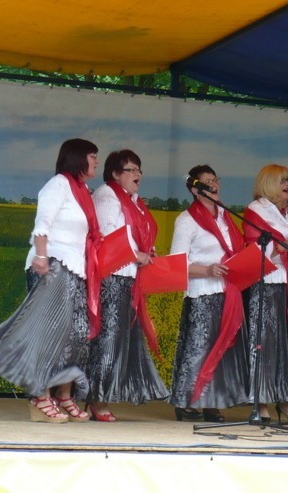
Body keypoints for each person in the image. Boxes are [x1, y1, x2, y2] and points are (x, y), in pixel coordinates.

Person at [0, 138, 100, 423]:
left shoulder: (82, 192)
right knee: (48, 334)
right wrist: (41, 257)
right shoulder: (58, 185)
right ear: (78, 157)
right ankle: (39, 395)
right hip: (53, 263)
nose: (96, 161)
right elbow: (42, 223)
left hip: (76, 269)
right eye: (93, 156)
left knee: (76, 336)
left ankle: (63, 393)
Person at [86, 150, 169, 422]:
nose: (138, 175)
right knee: (108, 340)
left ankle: (102, 396)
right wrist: (138, 255)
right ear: (115, 174)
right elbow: (110, 237)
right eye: (131, 170)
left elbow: (137, 237)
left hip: (129, 278)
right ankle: (95, 399)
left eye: (139, 170)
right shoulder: (107, 196)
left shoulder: (134, 201)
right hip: (112, 278)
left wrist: (147, 252)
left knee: (120, 342)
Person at [169, 164, 250, 422]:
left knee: (222, 349)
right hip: (202, 292)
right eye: (207, 182)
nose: (214, 185)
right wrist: (207, 270)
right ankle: (188, 402)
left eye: (215, 179)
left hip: (228, 293)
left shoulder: (226, 218)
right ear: (195, 189)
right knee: (199, 349)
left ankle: (212, 401)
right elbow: (176, 263)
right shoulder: (186, 220)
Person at [242, 164, 288, 423]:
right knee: (264, 345)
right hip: (264, 285)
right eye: (282, 180)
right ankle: (261, 402)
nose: (287, 184)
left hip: (286, 285)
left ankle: (286, 400)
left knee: (286, 346)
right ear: (269, 182)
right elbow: (253, 252)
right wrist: (281, 249)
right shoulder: (256, 211)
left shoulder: (286, 214)